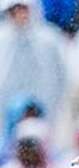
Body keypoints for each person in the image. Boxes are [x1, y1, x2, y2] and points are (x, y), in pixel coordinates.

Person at [0, 0, 65, 148]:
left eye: (23, 9)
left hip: (45, 110)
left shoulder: (50, 39)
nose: (19, 15)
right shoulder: (2, 39)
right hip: (6, 115)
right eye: (14, 10)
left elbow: (61, 77)